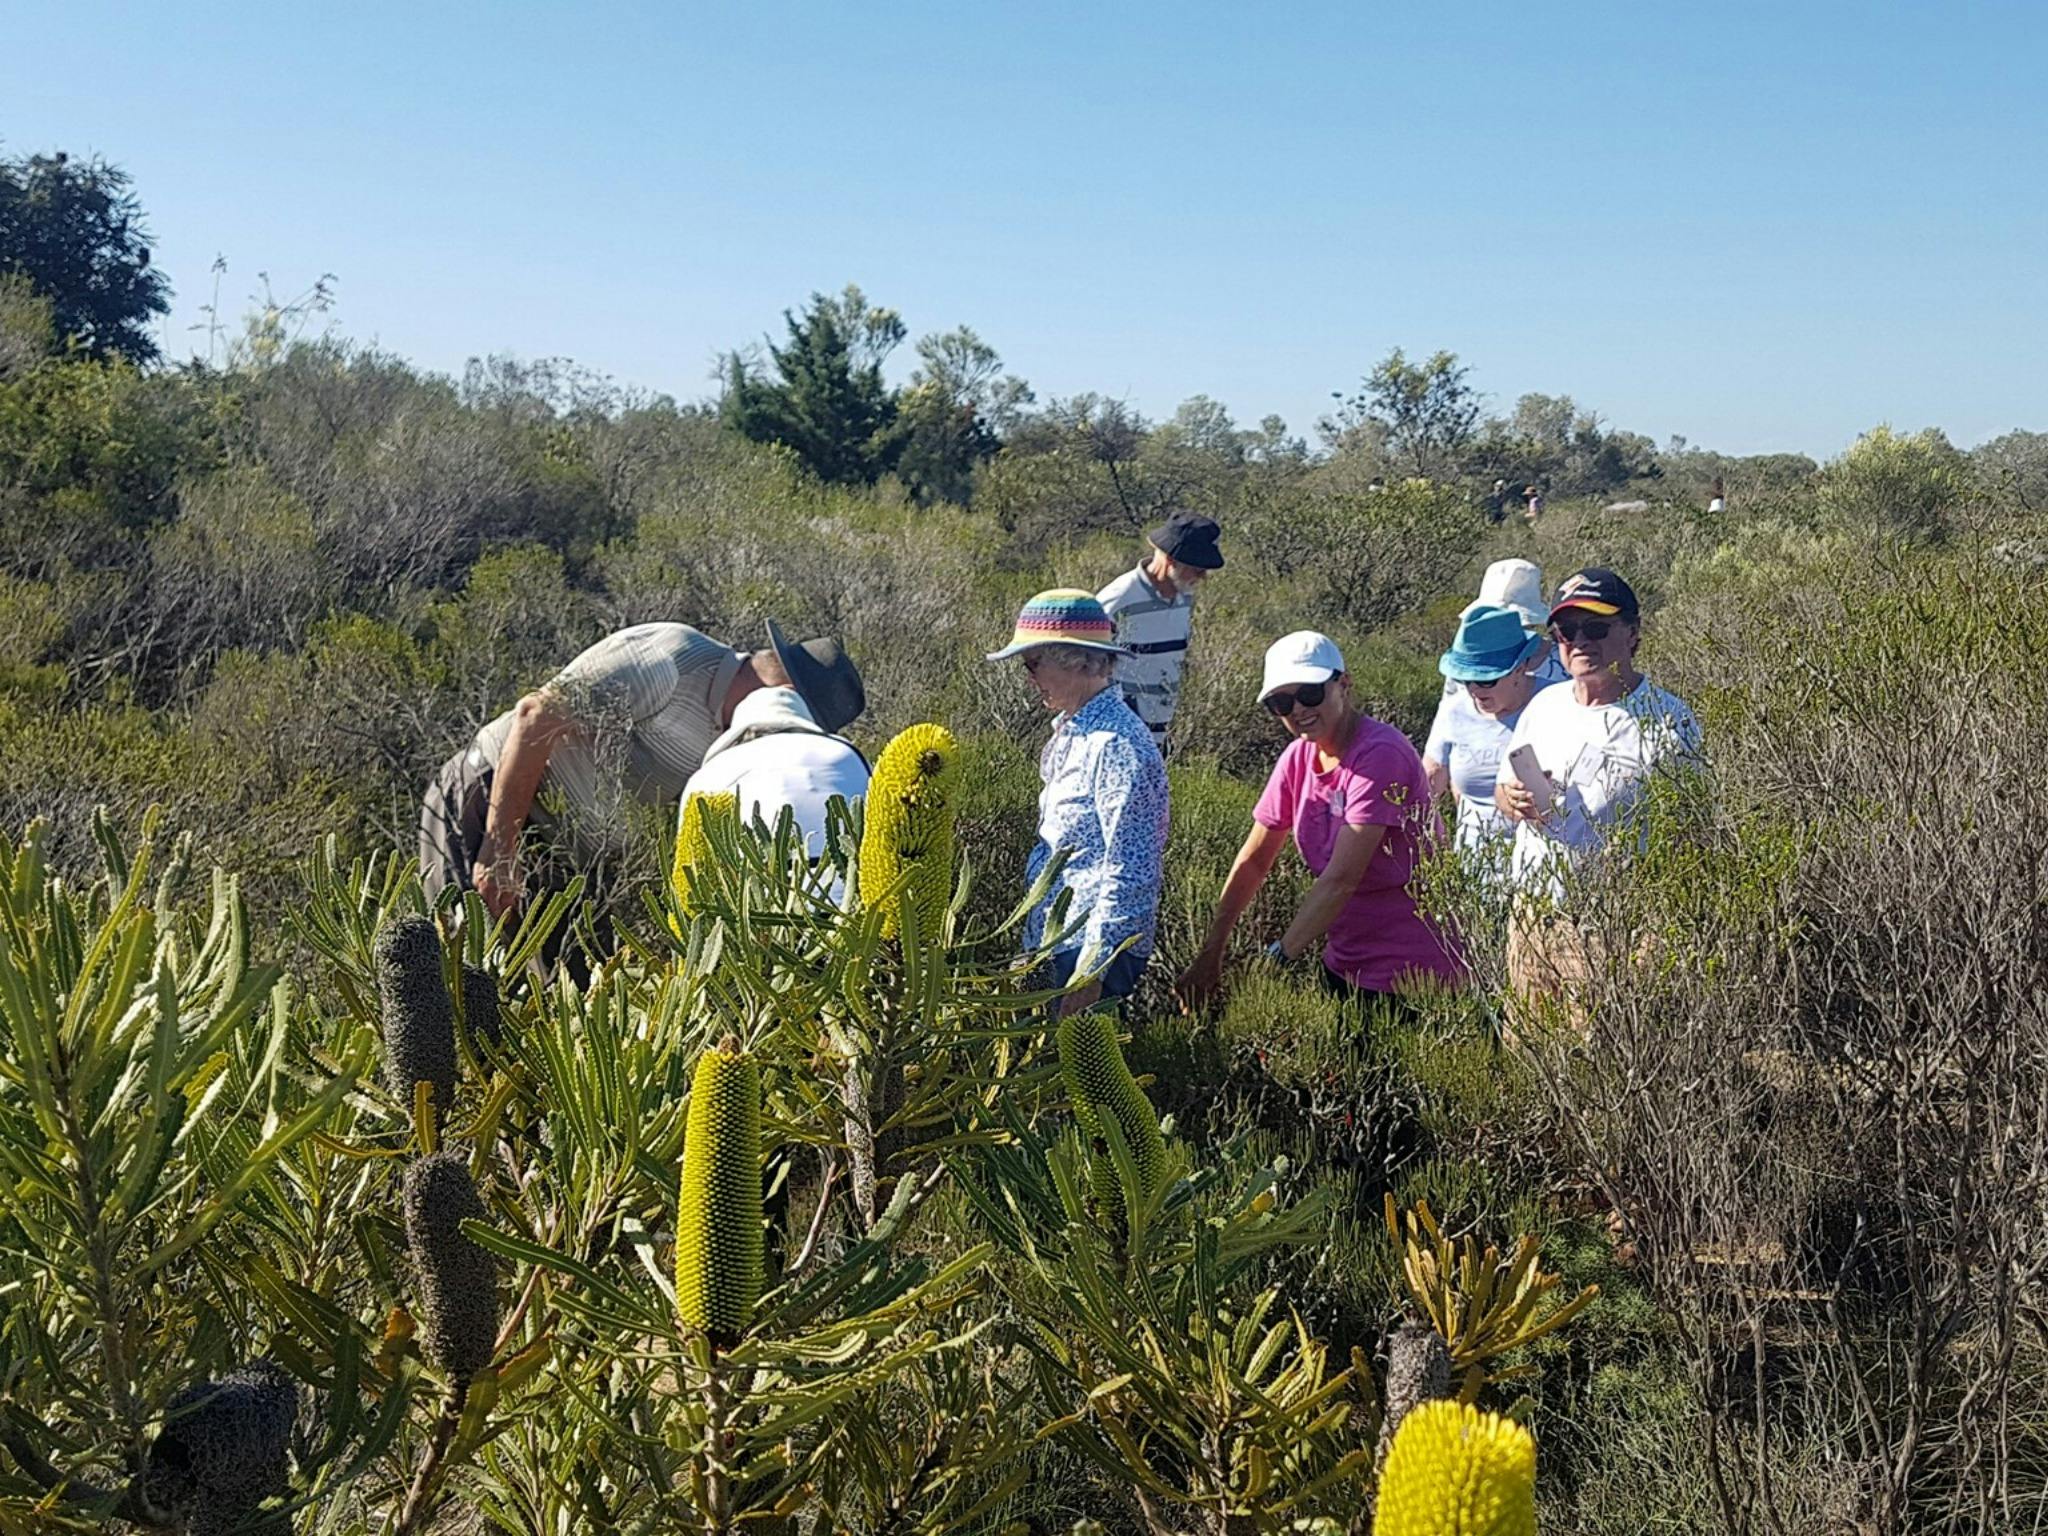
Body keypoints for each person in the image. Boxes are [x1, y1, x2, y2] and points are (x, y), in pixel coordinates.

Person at [419, 620, 865, 920]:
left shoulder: (734, 738)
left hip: (563, 856)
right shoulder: (673, 662)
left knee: (558, 1003)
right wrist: (499, 851)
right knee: (460, 974)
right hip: (491, 800)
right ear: (785, 690)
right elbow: (536, 715)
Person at [1175, 632, 1462, 1013]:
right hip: (1346, 961)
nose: (1297, 710)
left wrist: (1275, 961)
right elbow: (1254, 860)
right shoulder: (1298, 758)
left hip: (1417, 973)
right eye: (1281, 702)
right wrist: (1211, 953)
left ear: (1343, 684)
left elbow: (1342, 880)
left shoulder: (1380, 753)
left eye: (1309, 693)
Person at [1493, 568, 1700, 998]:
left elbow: (1692, 837)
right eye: (1567, 630)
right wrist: (1513, 800)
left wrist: (1652, 947)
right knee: (1529, 1051)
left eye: (1596, 627)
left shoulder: (1668, 720)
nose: (1581, 641)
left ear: (1632, 633)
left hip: (1612, 925)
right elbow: (1502, 790)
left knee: (1596, 1055)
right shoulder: (1544, 704)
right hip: (1531, 917)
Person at [987, 590, 1169, 1016]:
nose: (1029, 677)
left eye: (1033, 663)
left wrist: (1091, 973)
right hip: (1059, 943)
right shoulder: (1075, 732)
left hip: (1087, 953)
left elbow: (1133, 869)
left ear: (1077, 660)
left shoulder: (1117, 745)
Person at [678, 682, 870, 862]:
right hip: (852, 885)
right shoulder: (848, 754)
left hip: (751, 892)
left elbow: (692, 867)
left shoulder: (708, 775)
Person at [1423, 604, 1558, 856]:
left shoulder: (1555, 702)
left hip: (1545, 857)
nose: (1474, 690)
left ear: (1519, 668)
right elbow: (1429, 783)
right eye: (1466, 679)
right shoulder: (1454, 710)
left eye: (1486, 680)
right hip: (1474, 862)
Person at [1096, 511, 1224, 753]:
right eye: (1197, 569)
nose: (1203, 578)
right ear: (1171, 560)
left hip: (1156, 735)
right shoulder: (1118, 600)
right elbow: (1083, 667)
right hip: (1116, 736)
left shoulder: (1184, 597)